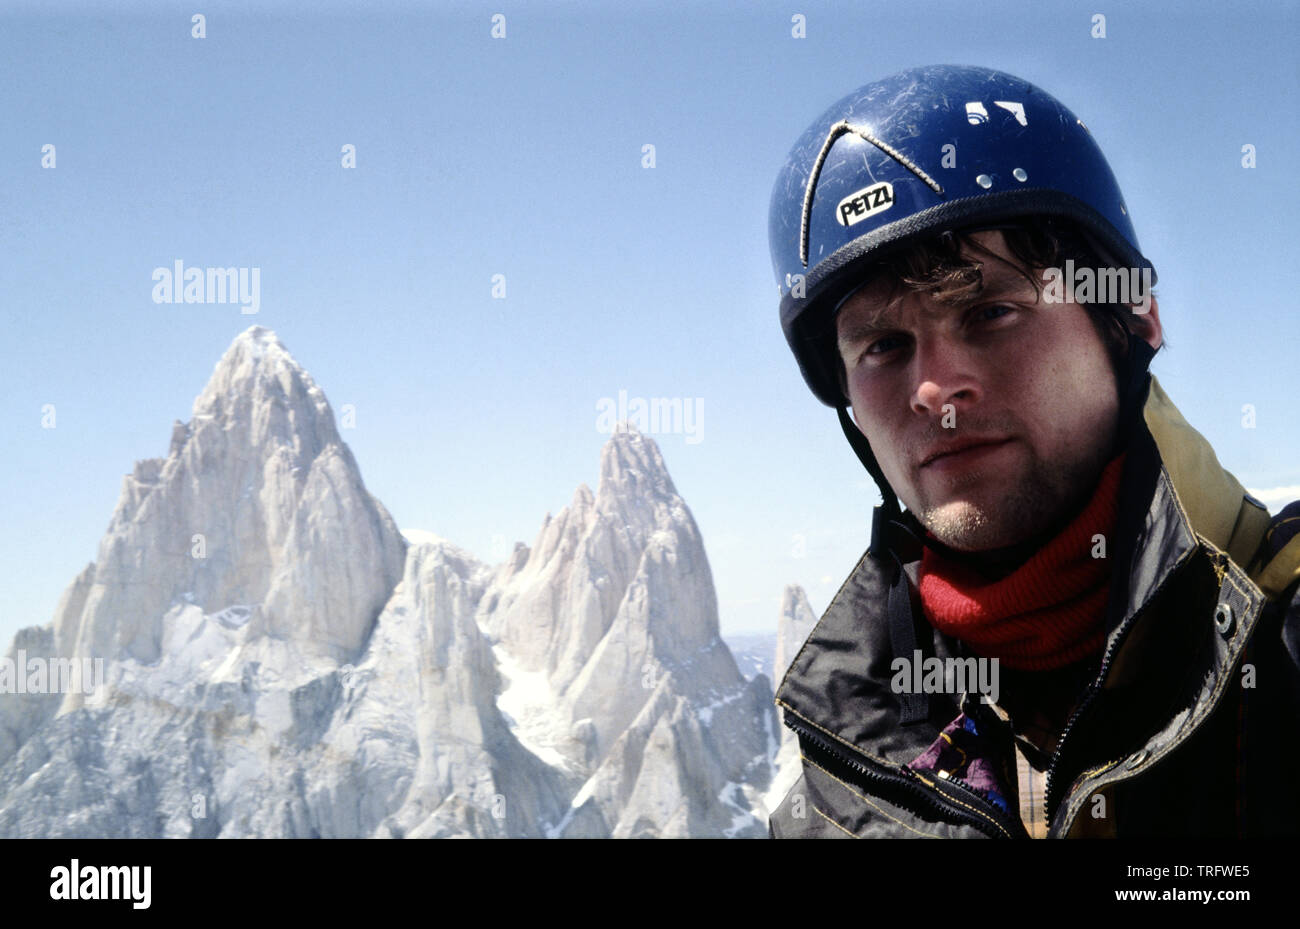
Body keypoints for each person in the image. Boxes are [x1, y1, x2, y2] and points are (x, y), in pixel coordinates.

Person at [765, 65, 1300, 838]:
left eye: (991, 310)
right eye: (883, 345)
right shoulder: (837, 779)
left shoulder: (1284, 653)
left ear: (1133, 319)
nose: (934, 390)